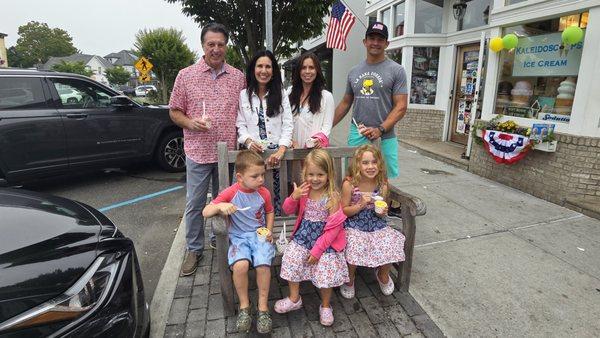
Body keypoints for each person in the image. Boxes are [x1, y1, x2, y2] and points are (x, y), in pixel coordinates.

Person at [169, 23, 245, 276]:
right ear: (203, 45)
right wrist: (191, 123)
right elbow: (174, 110)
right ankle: (194, 248)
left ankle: (218, 238)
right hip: (198, 151)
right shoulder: (186, 75)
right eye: (210, 44)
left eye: (220, 44)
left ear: (226, 46)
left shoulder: (238, 77)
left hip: (227, 154)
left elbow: (245, 112)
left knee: (224, 200)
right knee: (195, 203)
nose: (215, 49)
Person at [202, 150, 275, 334]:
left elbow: (269, 211)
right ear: (240, 177)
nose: (261, 180)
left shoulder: (263, 193)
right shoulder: (231, 192)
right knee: (240, 266)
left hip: (259, 235)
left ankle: (263, 308)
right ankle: (244, 306)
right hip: (239, 237)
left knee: (263, 265)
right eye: (255, 176)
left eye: (262, 175)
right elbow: (205, 212)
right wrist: (219, 206)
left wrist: (270, 230)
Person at [274, 149, 348, 327]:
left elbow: (334, 229)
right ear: (304, 174)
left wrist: (317, 250)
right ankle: (294, 298)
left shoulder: (332, 196)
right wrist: (294, 197)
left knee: (326, 267)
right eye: (311, 174)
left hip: (325, 240)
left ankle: (325, 305)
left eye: (320, 175)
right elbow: (287, 210)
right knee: (291, 257)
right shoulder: (304, 191)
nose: (315, 179)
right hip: (304, 235)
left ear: (329, 174)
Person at [333, 21, 408, 179]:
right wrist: (325, 127)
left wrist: (380, 129)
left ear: (387, 43)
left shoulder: (397, 70)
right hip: (358, 133)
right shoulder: (354, 71)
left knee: (385, 180)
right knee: (353, 177)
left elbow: (401, 106)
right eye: (371, 38)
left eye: (380, 39)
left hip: (385, 136)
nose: (375, 43)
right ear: (364, 42)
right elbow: (346, 102)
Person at [339, 145, 406, 299]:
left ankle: (382, 274)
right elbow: (344, 211)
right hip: (354, 223)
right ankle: (349, 277)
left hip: (376, 223)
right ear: (357, 165)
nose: (370, 166)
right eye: (365, 163)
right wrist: (360, 204)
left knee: (391, 241)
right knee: (354, 244)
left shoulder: (382, 183)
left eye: (374, 162)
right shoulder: (350, 184)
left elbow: (385, 207)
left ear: (379, 164)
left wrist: (383, 211)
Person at [236, 50, 293, 215]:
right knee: (252, 196)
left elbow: (288, 124)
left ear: (273, 70)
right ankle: (253, 230)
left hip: (275, 156)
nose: (264, 70)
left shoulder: (281, 94)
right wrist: (248, 142)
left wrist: (281, 150)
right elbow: (240, 124)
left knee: (275, 197)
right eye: (259, 66)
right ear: (253, 69)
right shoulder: (243, 95)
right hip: (253, 155)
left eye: (268, 66)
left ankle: (272, 232)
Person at [287, 52, 334, 149]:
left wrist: (317, 140)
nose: (307, 71)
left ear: (317, 70)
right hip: (292, 150)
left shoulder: (326, 97)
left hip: (313, 151)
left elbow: (327, 126)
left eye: (311, 68)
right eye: (303, 68)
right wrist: (289, 140)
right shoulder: (289, 93)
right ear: (299, 70)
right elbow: (284, 122)